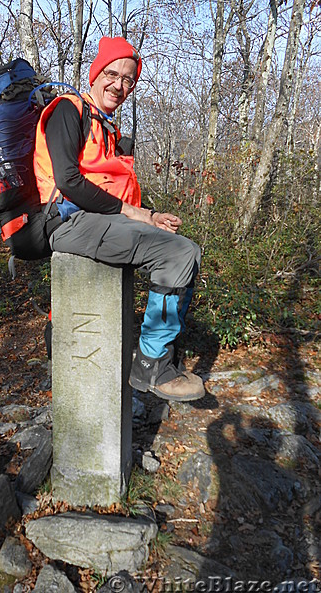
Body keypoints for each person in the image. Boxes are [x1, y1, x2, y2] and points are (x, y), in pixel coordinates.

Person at [33, 36, 204, 402]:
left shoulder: (105, 126)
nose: (120, 85)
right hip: (65, 224)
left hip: (92, 222)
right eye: (112, 73)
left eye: (128, 79)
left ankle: (129, 355)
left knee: (183, 248)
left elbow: (112, 190)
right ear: (95, 74)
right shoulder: (69, 110)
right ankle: (153, 365)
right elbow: (69, 181)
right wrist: (138, 214)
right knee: (179, 254)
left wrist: (150, 217)